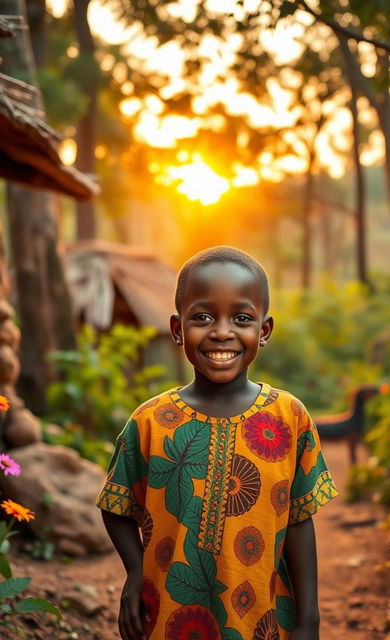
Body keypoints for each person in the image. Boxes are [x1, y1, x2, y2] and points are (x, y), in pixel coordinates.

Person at [97, 246, 338, 640]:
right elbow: (116, 503)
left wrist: (310, 617)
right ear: (178, 330)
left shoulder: (289, 417)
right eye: (203, 317)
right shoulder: (151, 421)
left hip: (263, 618)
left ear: (264, 331)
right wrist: (135, 572)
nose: (222, 331)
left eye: (241, 318)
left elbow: (299, 520)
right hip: (168, 616)